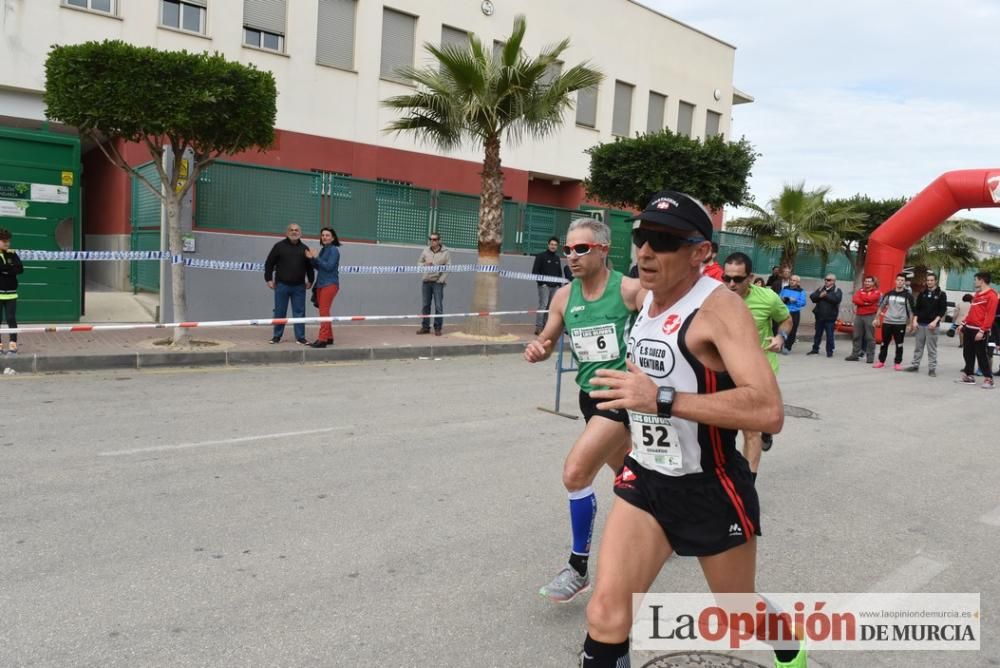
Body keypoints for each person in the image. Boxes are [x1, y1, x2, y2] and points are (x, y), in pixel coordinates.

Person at [585, 191, 801, 668]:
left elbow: (768, 411)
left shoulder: (720, 309)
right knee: (605, 615)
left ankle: (790, 648)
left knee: (740, 616)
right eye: (641, 237)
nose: (645, 251)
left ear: (700, 251)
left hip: (711, 486)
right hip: (647, 479)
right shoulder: (648, 299)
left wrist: (662, 400)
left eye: (663, 241)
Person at [524, 218, 643, 603]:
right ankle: (668, 522)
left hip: (620, 399)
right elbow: (545, 340)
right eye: (568, 249)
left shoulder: (629, 290)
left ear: (604, 250)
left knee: (576, 473)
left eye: (581, 249)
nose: (571, 256)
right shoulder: (563, 297)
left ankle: (578, 568)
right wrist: (538, 349)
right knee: (630, 473)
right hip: (589, 398)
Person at [721, 252, 792, 467]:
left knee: (751, 432)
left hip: (759, 370)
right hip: (724, 370)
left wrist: (781, 337)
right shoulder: (713, 297)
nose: (731, 284)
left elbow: (786, 319)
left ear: (750, 278)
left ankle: (747, 488)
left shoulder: (768, 298)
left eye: (738, 279)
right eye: (727, 278)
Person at [264, 223, 314, 345]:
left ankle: (300, 337)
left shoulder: (305, 248)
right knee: (279, 312)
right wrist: (268, 279)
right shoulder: (279, 246)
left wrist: (311, 280)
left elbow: (309, 267)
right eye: (291, 230)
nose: (294, 232)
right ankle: (277, 336)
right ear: (287, 232)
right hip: (282, 286)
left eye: (296, 230)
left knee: (300, 312)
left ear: (300, 233)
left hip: (299, 287)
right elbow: (269, 263)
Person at [957, 271, 998, 389]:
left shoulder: (992, 296)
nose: (974, 282)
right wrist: (963, 323)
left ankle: (988, 379)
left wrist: (982, 330)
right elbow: (971, 312)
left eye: (975, 279)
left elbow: (990, 316)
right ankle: (969, 376)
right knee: (967, 353)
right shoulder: (977, 294)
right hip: (969, 329)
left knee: (981, 355)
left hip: (979, 330)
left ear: (982, 280)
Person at [305, 227, 341, 348]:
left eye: (327, 235)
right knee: (325, 311)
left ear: (333, 238)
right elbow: (319, 267)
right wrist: (311, 259)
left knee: (323, 312)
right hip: (321, 284)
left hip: (330, 284)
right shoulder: (323, 250)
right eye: (323, 235)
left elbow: (329, 267)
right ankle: (329, 337)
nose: (324, 237)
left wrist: (316, 258)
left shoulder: (334, 250)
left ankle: (322, 339)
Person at [905, 273, 947, 376]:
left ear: (935, 281)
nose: (929, 282)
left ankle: (932, 368)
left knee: (931, 348)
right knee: (918, 347)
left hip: (932, 325)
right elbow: (917, 309)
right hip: (920, 324)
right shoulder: (922, 293)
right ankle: (915, 365)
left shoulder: (941, 294)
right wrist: (915, 320)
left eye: (931, 280)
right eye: (928, 280)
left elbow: (942, 310)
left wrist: (935, 321)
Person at [873, 273, 914, 370]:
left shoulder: (908, 296)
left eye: (902, 280)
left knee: (899, 344)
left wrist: (910, 324)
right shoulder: (889, 294)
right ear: (895, 281)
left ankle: (897, 363)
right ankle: (881, 361)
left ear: (904, 282)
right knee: (884, 343)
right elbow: (881, 307)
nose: (900, 282)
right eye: (898, 280)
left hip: (900, 324)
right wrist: (877, 318)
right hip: (887, 322)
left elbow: (911, 312)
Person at [418, 232, 450, 336]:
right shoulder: (425, 250)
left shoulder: (445, 252)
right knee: (425, 305)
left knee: (438, 306)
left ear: (439, 240)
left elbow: (448, 268)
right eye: (431, 239)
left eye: (435, 239)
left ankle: (438, 328)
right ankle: (425, 327)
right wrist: (425, 264)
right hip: (426, 282)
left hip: (438, 283)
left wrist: (441, 280)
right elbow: (418, 263)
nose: (432, 241)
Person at [532, 236, 564, 335]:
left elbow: (559, 272)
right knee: (543, 306)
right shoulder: (540, 256)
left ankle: (546, 327)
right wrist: (543, 283)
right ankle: (539, 328)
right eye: (551, 244)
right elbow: (535, 272)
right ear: (548, 245)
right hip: (544, 287)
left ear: (557, 246)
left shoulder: (557, 258)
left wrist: (559, 285)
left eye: (555, 245)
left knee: (550, 307)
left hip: (555, 287)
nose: (553, 246)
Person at [845, 275, 881, 362]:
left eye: (869, 281)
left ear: (873, 283)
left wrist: (862, 301)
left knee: (869, 337)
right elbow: (855, 299)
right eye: (866, 281)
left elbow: (871, 299)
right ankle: (855, 355)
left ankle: (870, 357)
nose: (867, 283)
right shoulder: (860, 290)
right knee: (856, 336)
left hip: (870, 315)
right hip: (859, 315)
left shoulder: (877, 292)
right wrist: (865, 302)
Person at [0, 228, 24, 354]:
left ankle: (13, 345)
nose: (7, 244)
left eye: (8, 241)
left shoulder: (12, 253)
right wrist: (10, 269)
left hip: (11, 293)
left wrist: (6, 270)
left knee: (11, 319)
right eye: (4, 241)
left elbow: (20, 269)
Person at [807, 274, 843, 357]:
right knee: (817, 334)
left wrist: (826, 296)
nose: (826, 281)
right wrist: (820, 296)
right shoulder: (820, 288)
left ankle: (829, 352)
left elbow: (836, 300)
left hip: (830, 317)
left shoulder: (837, 290)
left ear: (833, 281)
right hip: (819, 316)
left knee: (830, 335)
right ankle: (815, 349)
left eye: (829, 280)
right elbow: (812, 297)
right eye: (825, 279)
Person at [778, 274, 807, 354]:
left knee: (792, 330)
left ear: (798, 282)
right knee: (780, 329)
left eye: (794, 280)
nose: (791, 281)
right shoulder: (785, 288)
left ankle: (787, 347)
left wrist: (795, 301)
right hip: (784, 311)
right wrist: (782, 298)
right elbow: (779, 297)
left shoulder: (801, 291)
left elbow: (803, 303)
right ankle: (779, 345)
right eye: (791, 280)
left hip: (794, 313)